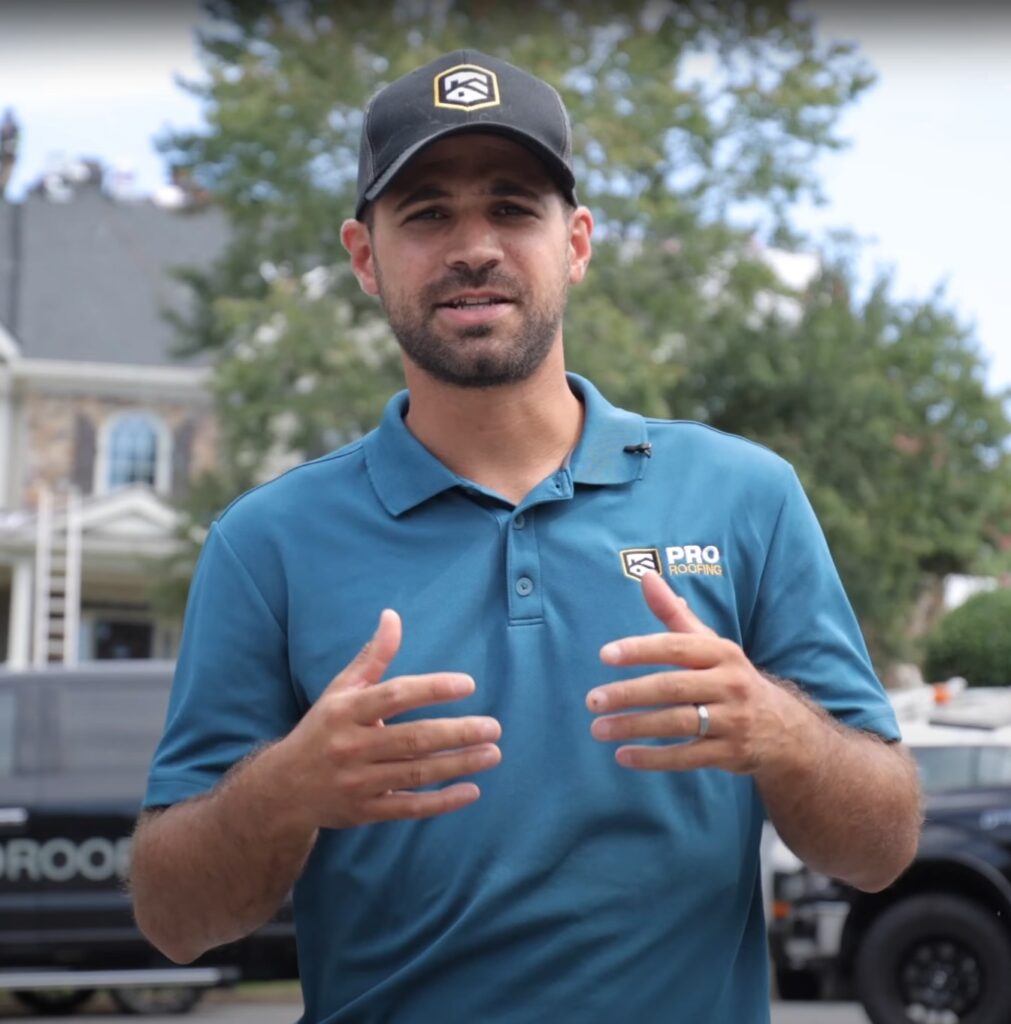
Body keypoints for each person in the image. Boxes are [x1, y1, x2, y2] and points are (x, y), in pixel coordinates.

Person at [131, 50, 922, 1024]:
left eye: (513, 208)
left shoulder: (745, 496)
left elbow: (883, 844)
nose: (475, 246)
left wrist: (782, 731)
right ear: (365, 256)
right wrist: (285, 789)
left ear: (577, 243)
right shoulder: (267, 544)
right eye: (427, 213)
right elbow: (172, 919)